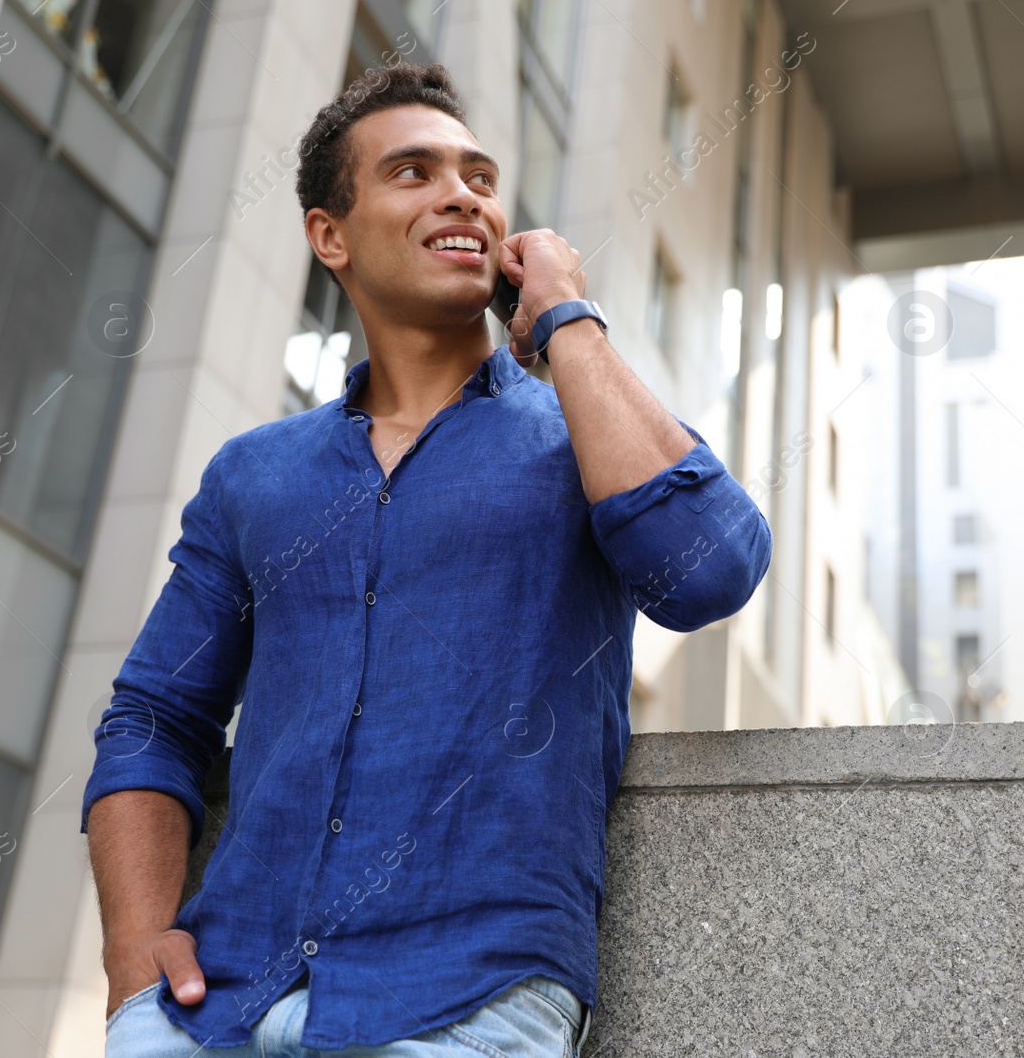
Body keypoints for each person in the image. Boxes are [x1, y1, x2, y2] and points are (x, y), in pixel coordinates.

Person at [84, 62, 772, 1057]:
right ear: (331, 235)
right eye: (413, 172)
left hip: (466, 1003)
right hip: (211, 1006)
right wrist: (132, 950)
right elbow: (155, 715)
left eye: (480, 179)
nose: (462, 194)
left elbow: (706, 573)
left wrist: (564, 317)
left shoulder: (584, 436)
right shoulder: (253, 474)